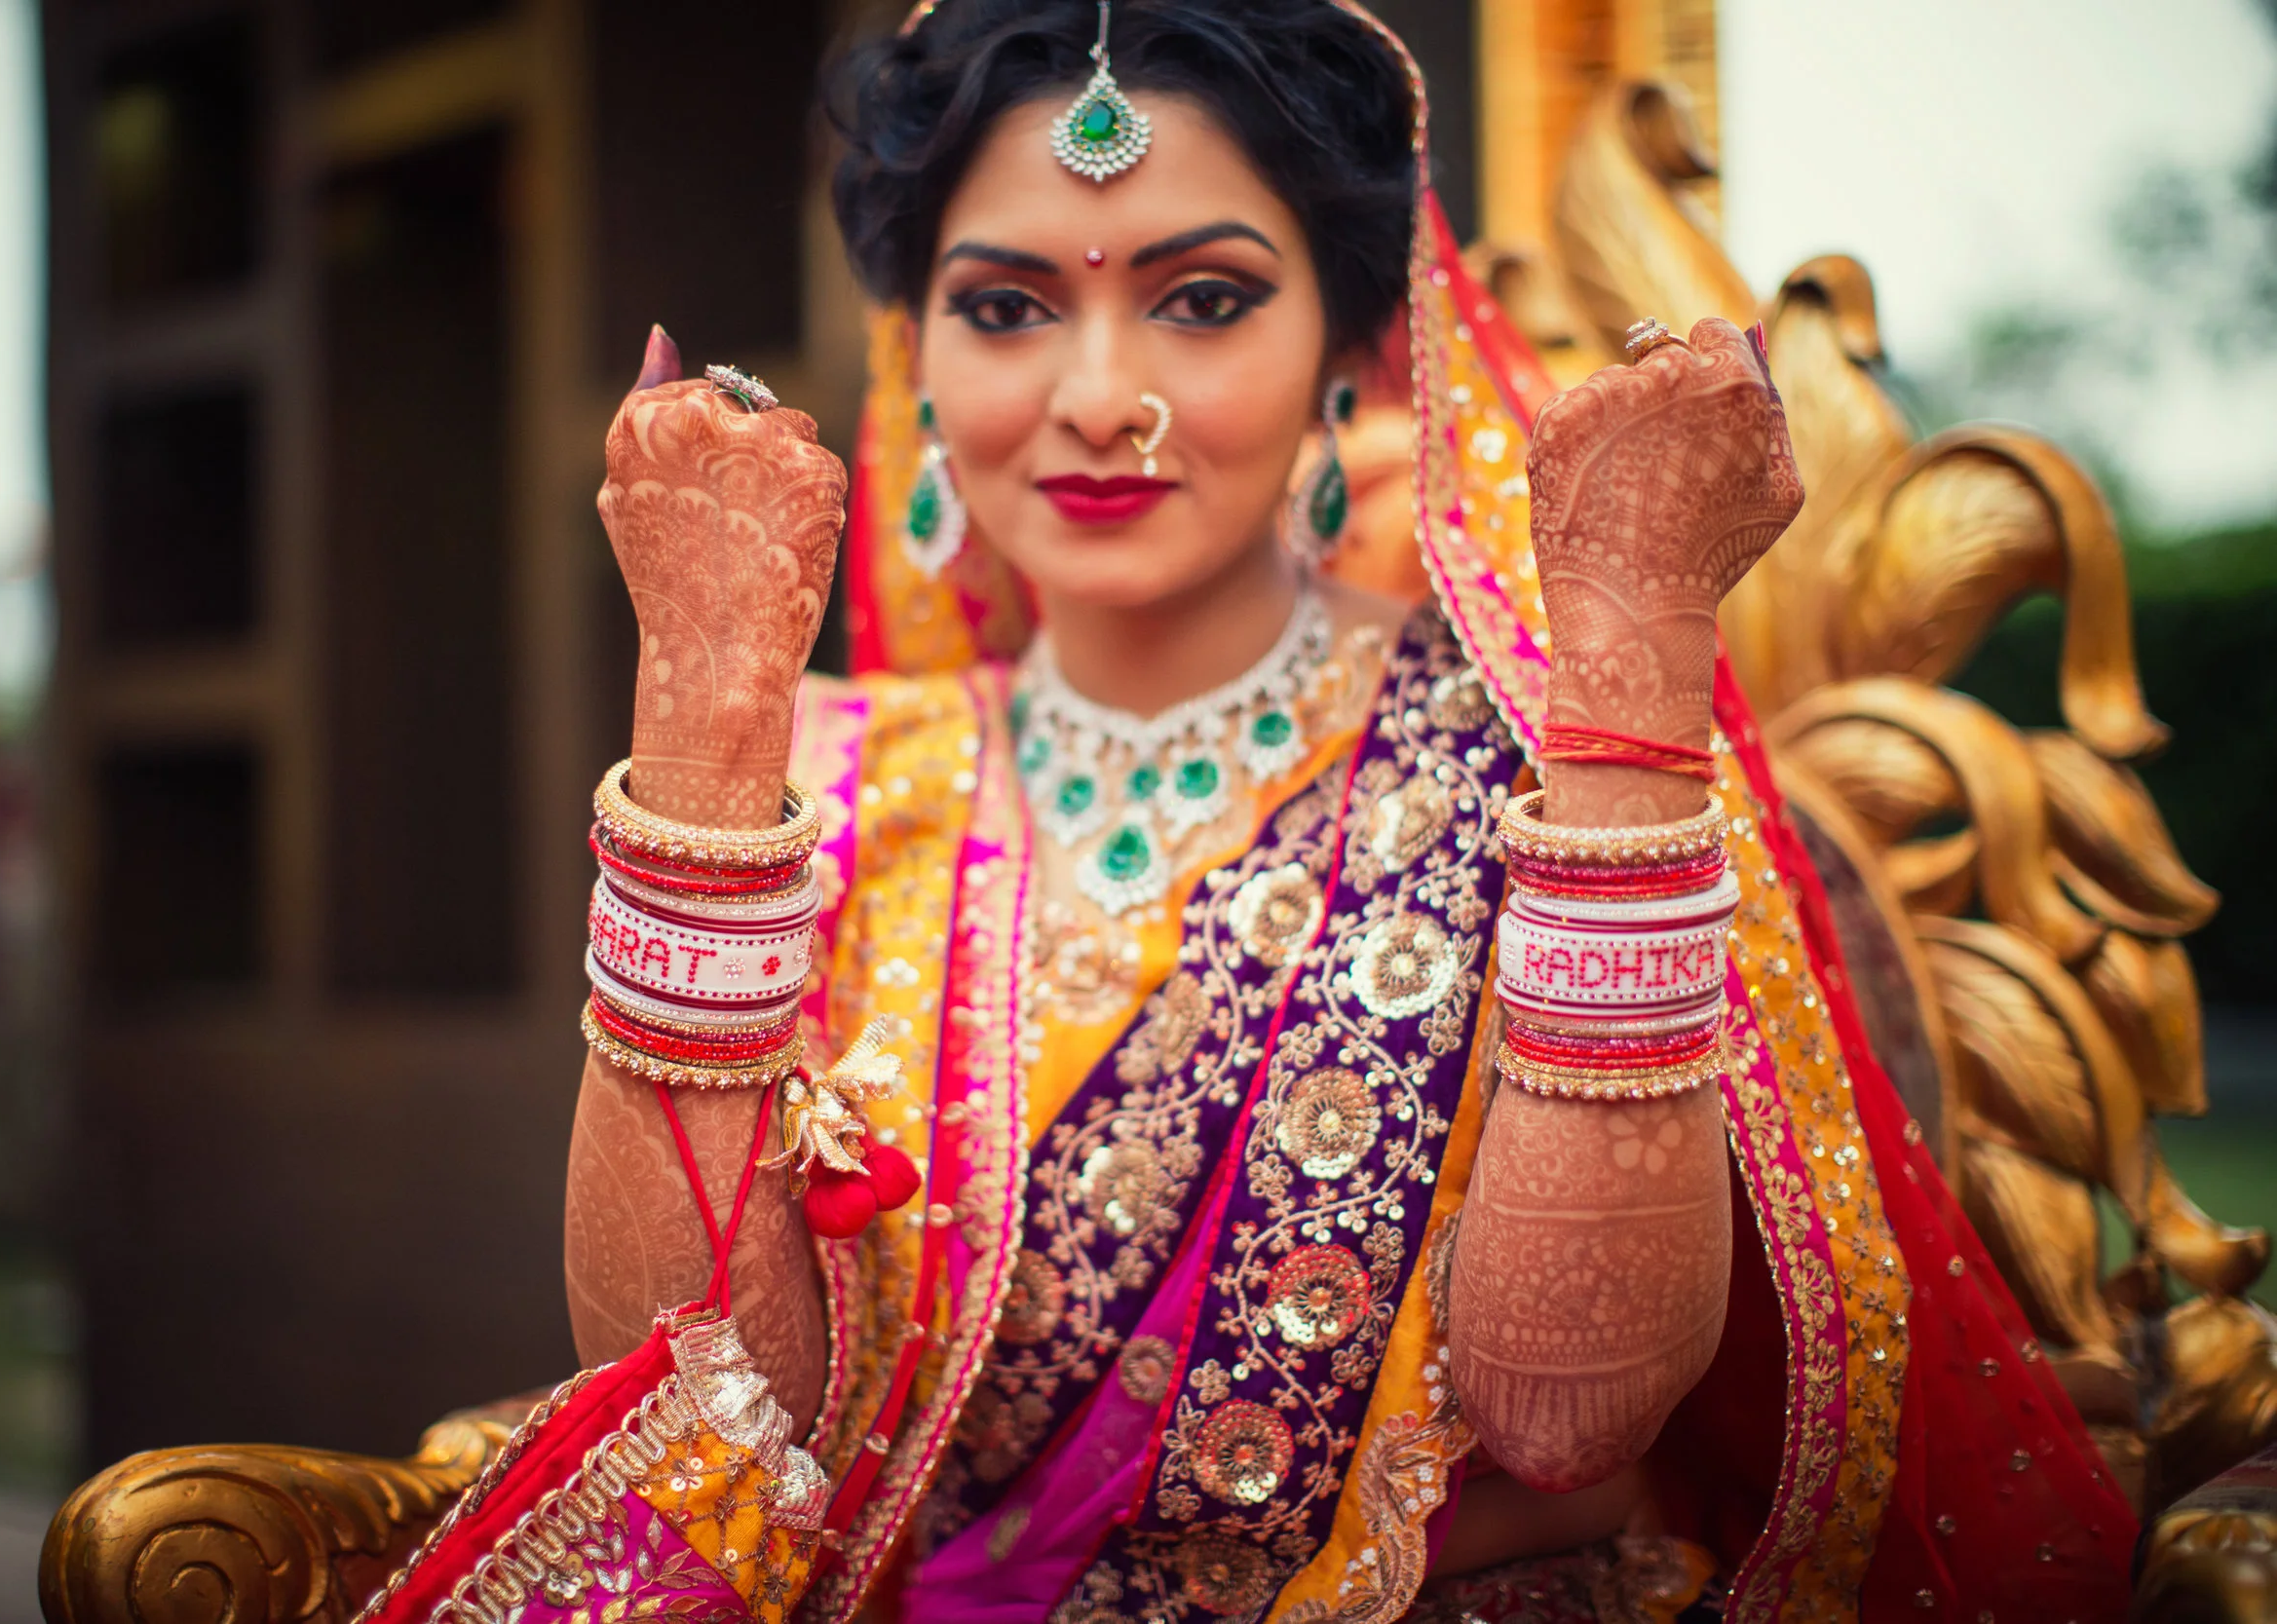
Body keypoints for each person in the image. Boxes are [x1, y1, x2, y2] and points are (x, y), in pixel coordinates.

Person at [365, 4, 2141, 1621]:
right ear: (919, 355)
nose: (1094, 398)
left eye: (1203, 297)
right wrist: (702, 710)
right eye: (1004, 306)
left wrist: (1628, 690)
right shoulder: (820, 783)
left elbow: (1564, 1400)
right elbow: (697, 1404)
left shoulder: (1544, 766)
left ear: (1356, 344)